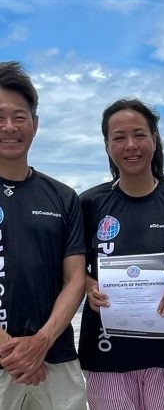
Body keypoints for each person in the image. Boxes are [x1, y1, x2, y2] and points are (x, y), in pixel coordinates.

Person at [78, 98, 164, 410]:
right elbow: (71, 266)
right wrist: (88, 285)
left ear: (154, 139)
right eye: (119, 137)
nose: (130, 145)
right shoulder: (90, 203)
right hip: (106, 350)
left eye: (139, 134)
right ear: (107, 145)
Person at [0, 62, 87, 409]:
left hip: (56, 357)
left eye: (19, 117)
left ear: (34, 124)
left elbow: (75, 279)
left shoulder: (63, 197)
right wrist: (13, 353)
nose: (9, 127)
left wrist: (41, 342)